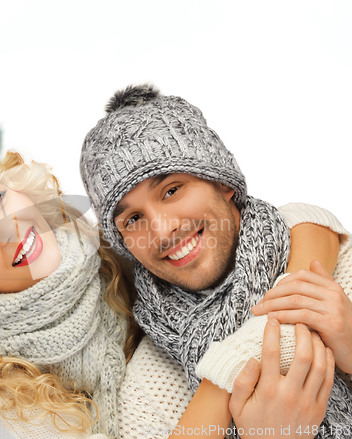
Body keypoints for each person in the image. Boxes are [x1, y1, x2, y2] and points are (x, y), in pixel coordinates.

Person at [0, 149, 339, 439]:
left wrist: (276, 318)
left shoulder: (105, 248)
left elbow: (280, 224)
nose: (6, 229)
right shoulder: (9, 404)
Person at [80, 84, 352, 437]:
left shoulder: (339, 279)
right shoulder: (147, 391)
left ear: (222, 183)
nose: (162, 232)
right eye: (132, 219)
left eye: (172, 190)